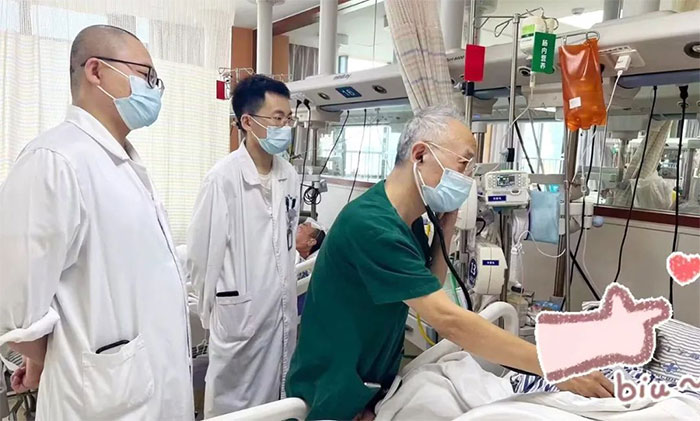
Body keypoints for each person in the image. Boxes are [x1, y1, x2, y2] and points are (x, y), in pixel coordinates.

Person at [286, 106, 615, 421]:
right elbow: (448, 320)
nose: (468, 179)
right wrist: (555, 366)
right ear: (420, 155)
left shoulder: (409, 220)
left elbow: (432, 283)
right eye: (464, 164)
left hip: (370, 383)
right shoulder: (373, 226)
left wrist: (446, 228)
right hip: (333, 390)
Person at [0, 25, 194, 420]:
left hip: (147, 390)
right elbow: (16, 313)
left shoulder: (121, 162)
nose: (155, 90)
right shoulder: (54, 160)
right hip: (103, 399)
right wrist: (58, 358)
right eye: (146, 76)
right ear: (95, 70)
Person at [187, 74, 300, 417]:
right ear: (248, 122)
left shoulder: (289, 175)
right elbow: (200, 259)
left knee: (276, 404)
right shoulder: (222, 179)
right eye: (277, 118)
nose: (285, 126)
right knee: (233, 407)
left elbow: (287, 241)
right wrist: (216, 315)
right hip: (239, 321)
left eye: (288, 118)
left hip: (279, 316)